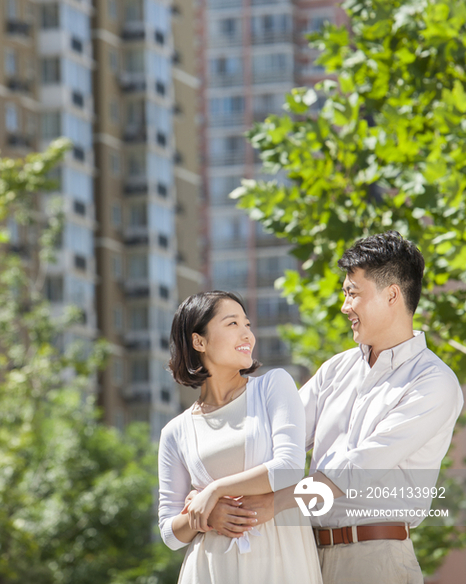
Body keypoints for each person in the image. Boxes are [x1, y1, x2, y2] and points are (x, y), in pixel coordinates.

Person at [207, 231, 464, 584]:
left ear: (392, 295)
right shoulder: (337, 369)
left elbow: (358, 468)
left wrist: (274, 502)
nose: (345, 307)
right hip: (304, 557)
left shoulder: (433, 381)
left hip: (375, 560)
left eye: (352, 293)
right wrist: (210, 483)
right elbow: (274, 435)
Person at [157, 290, 323, 584]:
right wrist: (208, 516)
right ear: (199, 341)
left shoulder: (273, 386)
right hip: (211, 569)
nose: (247, 335)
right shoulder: (176, 431)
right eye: (232, 324)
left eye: (247, 325)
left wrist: (213, 491)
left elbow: (289, 468)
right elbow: (170, 533)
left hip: (281, 560)